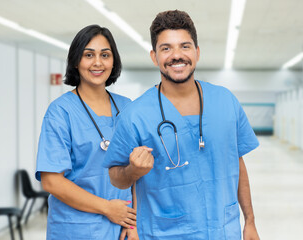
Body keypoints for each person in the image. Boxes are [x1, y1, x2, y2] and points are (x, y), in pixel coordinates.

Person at [103, 10, 260, 240]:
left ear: (196, 52)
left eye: (185, 46)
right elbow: (115, 175)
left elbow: (238, 163)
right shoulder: (135, 115)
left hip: (224, 232)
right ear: (154, 57)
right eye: (166, 48)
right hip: (164, 234)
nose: (177, 55)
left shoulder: (226, 101)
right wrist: (132, 171)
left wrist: (250, 222)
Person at [35, 24, 138, 240]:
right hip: (75, 229)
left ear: (114, 61)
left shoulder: (127, 108)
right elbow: (51, 181)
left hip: (122, 229)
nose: (98, 62)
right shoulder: (61, 112)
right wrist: (108, 208)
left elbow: (139, 173)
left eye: (105, 55)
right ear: (75, 61)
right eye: (88, 55)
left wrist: (133, 223)